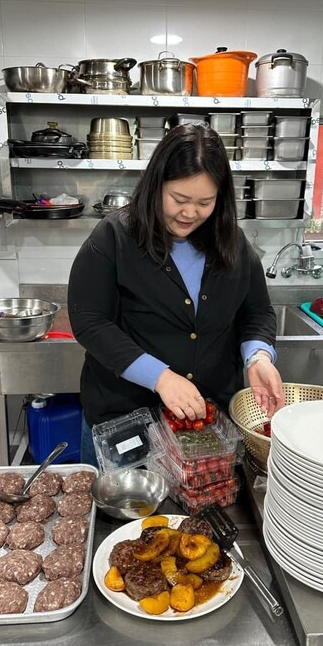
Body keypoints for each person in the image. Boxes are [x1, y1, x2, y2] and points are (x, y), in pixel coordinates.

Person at [68, 123, 285, 465]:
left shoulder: (233, 244)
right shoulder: (115, 237)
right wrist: (160, 377)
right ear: (156, 186)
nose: (189, 213)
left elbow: (256, 311)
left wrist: (257, 358)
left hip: (206, 424)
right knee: (124, 517)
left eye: (204, 202)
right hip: (125, 424)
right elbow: (90, 321)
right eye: (179, 199)